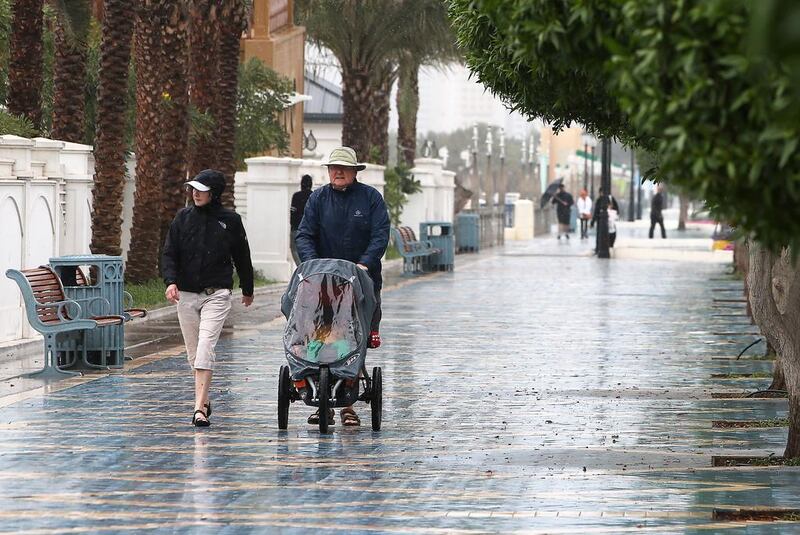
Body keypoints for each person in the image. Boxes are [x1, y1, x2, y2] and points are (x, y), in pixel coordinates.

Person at [295, 146, 390, 427]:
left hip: (360, 281)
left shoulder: (371, 199)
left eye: (343, 169)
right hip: (321, 283)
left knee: (353, 335)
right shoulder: (317, 200)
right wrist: (314, 266)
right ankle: (322, 402)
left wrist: (364, 264)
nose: (337, 172)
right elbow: (304, 235)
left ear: (354, 172)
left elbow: (380, 234)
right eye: (333, 168)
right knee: (321, 336)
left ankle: (348, 404)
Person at [162, 169, 254, 427]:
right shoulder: (182, 218)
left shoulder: (231, 220)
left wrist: (248, 289)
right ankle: (204, 399)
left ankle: (198, 409)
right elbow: (169, 253)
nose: (194, 194)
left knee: (205, 347)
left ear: (213, 193)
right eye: (192, 189)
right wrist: (170, 282)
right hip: (187, 295)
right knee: (194, 355)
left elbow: (242, 256)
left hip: (217, 294)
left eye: (200, 190)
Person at [289, 174, 313, 265]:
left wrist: (293, 227)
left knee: (294, 250)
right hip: (310, 230)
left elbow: (292, 213)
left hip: (296, 228)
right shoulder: (314, 196)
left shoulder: (296, 196)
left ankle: (301, 267)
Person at [591, 187, 620, 253]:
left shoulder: (600, 199)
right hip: (609, 220)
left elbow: (596, 211)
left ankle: (599, 248)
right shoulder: (610, 198)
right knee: (610, 233)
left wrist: (593, 221)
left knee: (600, 235)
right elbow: (617, 208)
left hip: (601, 220)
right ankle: (608, 246)